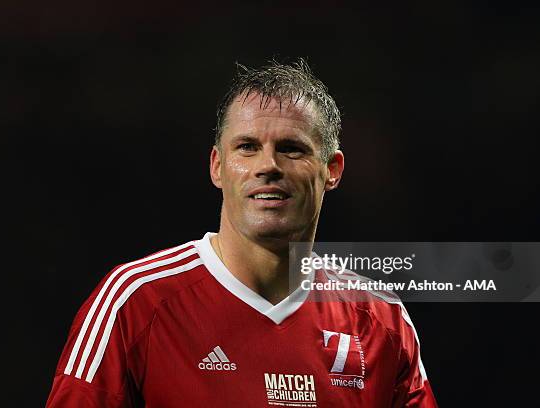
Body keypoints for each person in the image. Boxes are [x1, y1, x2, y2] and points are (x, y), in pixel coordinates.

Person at [46, 58, 438, 407]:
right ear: (217, 166)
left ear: (331, 170)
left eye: (292, 149)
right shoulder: (135, 302)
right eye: (247, 147)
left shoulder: (381, 321)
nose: (268, 165)